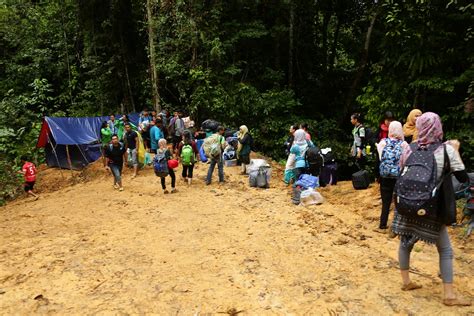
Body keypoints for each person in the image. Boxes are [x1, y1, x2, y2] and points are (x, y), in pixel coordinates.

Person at [391, 112, 470, 306]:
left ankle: (407, 282)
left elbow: (402, 171)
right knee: (445, 249)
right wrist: (456, 149)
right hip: (431, 206)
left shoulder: (409, 148)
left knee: (405, 243)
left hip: (407, 204)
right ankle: (449, 295)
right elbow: (463, 178)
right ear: (438, 127)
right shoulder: (446, 150)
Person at [375, 121, 408, 231]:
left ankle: (382, 224)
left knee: (386, 202)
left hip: (385, 176)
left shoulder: (383, 142)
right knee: (398, 201)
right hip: (399, 176)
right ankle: (396, 226)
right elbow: (406, 161)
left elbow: (380, 159)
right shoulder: (404, 145)